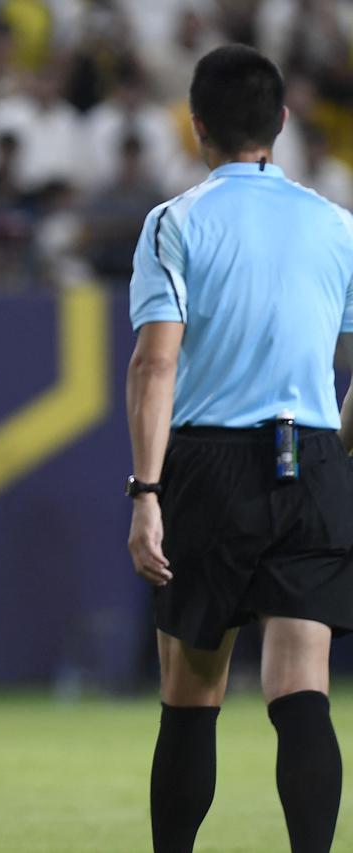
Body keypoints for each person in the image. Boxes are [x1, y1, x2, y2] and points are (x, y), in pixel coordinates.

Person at [125, 44, 353, 853]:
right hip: (313, 458)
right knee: (303, 692)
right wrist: (337, 454)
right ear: (283, 123)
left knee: (192, 693)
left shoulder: (174, 222)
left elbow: (157, 362)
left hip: (209, 467)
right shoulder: (337, 225)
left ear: (196, 129)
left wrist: (145, 493)